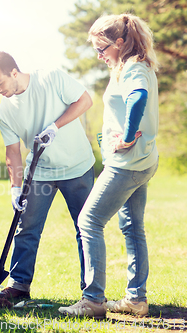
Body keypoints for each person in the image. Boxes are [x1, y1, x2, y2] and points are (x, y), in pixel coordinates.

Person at [59, 13, 159, 319]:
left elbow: (138, 97)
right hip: (142, 161)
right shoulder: (133, 65)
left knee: (88, 222)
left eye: (102, 49)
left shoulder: (132, 68)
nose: (99, 55)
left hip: (127, 165)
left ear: (119, 42)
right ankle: (136, 299)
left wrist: (127, 136)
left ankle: (93, 300)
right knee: (131, 227)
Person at [0, 52, 95, 301]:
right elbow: (12, 151)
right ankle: (19, 285)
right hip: (40, 172)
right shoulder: (5, 111)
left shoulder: (51, 79)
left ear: (14, 72)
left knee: (85, 228)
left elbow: (85, 100)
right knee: (27, 228)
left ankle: (92, 291)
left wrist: (56, 125)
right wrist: (15, 188)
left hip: (78, 166)